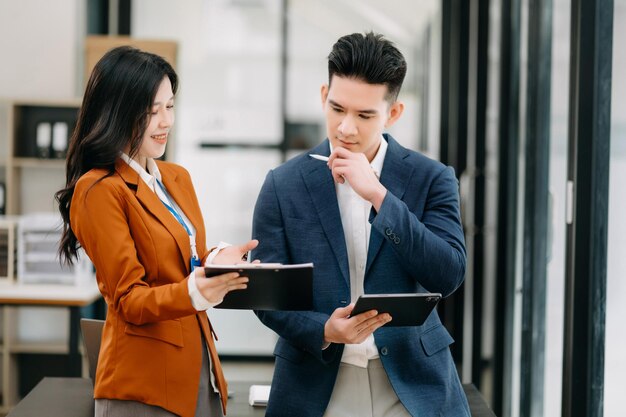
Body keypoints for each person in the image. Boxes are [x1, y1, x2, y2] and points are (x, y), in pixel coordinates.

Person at [251, 32, 470, 417]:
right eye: (337, 108)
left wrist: (380, 197)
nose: (346, 128)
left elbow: (448, 273)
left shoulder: (432, 178)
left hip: (412, 381)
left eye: (365, 115)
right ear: (323, 96)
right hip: (315, 383)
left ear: (394, 113)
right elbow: (269, 297)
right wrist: (324, 330)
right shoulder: (283, 184)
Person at [56, 46, 257, 417]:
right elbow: (130, 299)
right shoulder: (99, 189)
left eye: (170, 106)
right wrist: (198, 289)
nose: (165, 121)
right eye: (151, 111)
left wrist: (214, 260)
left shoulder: (176, 177)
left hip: (197, 365)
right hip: (142, 384)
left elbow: (181, 256)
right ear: (117, 112)